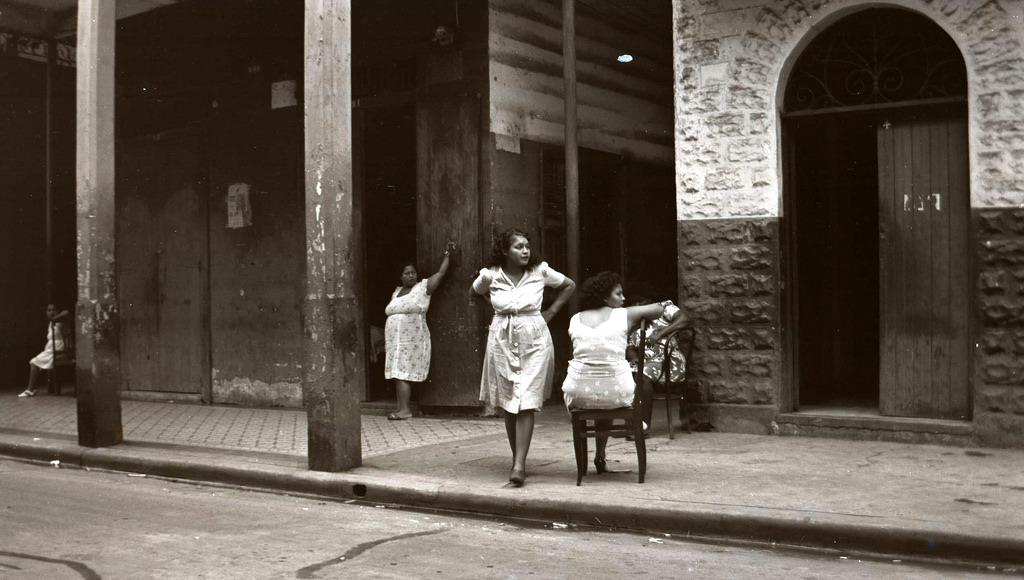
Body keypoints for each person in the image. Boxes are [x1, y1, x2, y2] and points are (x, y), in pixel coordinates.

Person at [472, 228, 575, 486]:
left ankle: (519, 465)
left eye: (527, 246)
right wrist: (497, 312)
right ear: (505, 250)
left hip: (534, 339)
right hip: (501, 340)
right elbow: (474, 293)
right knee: (509, 401)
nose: (525, 251)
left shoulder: (540, 271)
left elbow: (569, 285)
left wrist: (550, 313)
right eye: (519, 247)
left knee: (526, 400)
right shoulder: (490, 275)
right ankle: (517, 458)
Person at [561, 272, 664, 473]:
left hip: (578, 392)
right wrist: (637, 314)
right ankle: (600, 455)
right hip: (618, 392)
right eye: (618, 294)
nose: (623, 298)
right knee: (607, 387)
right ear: (604, 298)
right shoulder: (623, 314)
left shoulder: (575, 318)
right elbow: (658, 309)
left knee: (599, 386)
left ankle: (599, 457)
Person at [384, 241, 456, 420]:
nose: (411, 275)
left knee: (402, 371)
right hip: (395, 341)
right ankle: (401, 407)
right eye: (406, 273)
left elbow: (440, 274)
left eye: (413, 272)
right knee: (396, 372)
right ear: (400, 276)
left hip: (412, 339)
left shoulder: (422, 288)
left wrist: (447, 256)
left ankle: (405, 410)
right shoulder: (397, 291)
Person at [626, 284, 690, 436]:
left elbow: (685, 319)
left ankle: (642, 427)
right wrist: (633, 356)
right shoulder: (634, 319)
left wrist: (661, 334)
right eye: (634, 303)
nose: (637, 306)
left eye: (640, 302)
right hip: (644, 364)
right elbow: (629, 346)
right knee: (624, 373)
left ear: (650, 301)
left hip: (669, 362)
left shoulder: (664, 308)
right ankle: (631, 424)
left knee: (642, 374)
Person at [19, 304, 70, 398]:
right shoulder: (51, 323)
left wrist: (55, 318)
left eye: (54, 309)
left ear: (58, 311)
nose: (51, 312)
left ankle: (30, 390)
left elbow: (66, 312)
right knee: (35, 362)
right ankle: (36, 388)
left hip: (58, 348)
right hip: (51, 349)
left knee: (34, 362)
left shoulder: (59, 321)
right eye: (49, 310)